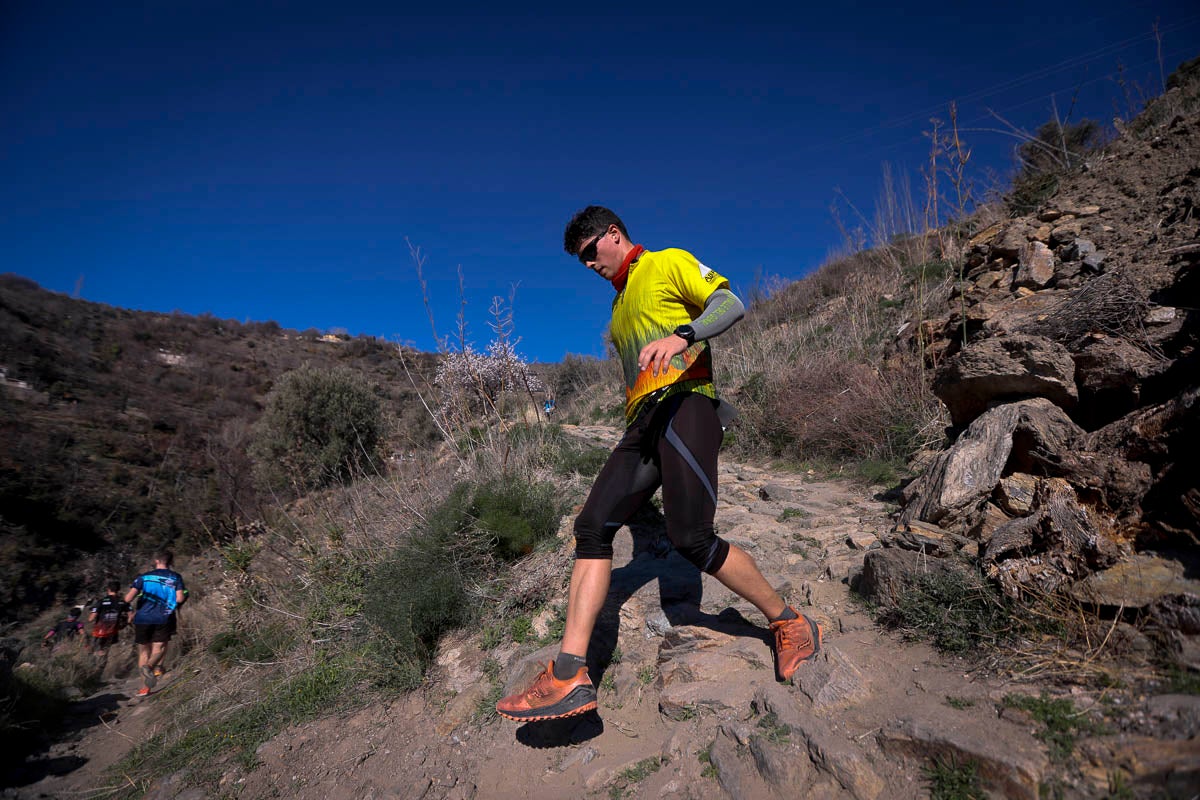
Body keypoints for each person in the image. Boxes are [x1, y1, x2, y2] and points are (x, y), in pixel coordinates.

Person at [497, 206, 822, 722]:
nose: (586, 265)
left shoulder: (666, 263)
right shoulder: (619, 307)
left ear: (613, 234)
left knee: (691, 537)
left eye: (588, 252)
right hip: (644, 424)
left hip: (688, 402)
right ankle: (568, 674)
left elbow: (730, 303)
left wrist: (684, 335)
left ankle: (788, 621)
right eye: (579, 260)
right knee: (592, 526)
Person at [125, 550, 187, 696]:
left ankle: (144, 688)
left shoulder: (144, 577)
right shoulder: (175, 577)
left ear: (156, 561)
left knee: (143, 651)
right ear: (171, 562)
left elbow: (128, 599)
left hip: (143, 618)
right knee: (158, 649)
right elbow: (179, 599)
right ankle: (150, 666)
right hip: (164, 617)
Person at [88, 580, 132, 655]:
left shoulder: (101, 601)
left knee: (96, 650)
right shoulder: (122, 602)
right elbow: (131, 615)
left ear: (108, 589)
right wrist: (125, 624)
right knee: (106, 650)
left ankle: (96, 664)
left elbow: (91, 618)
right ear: (118, 590)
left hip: (100, 631)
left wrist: (91, 615)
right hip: (113, 631)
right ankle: (101, 664)